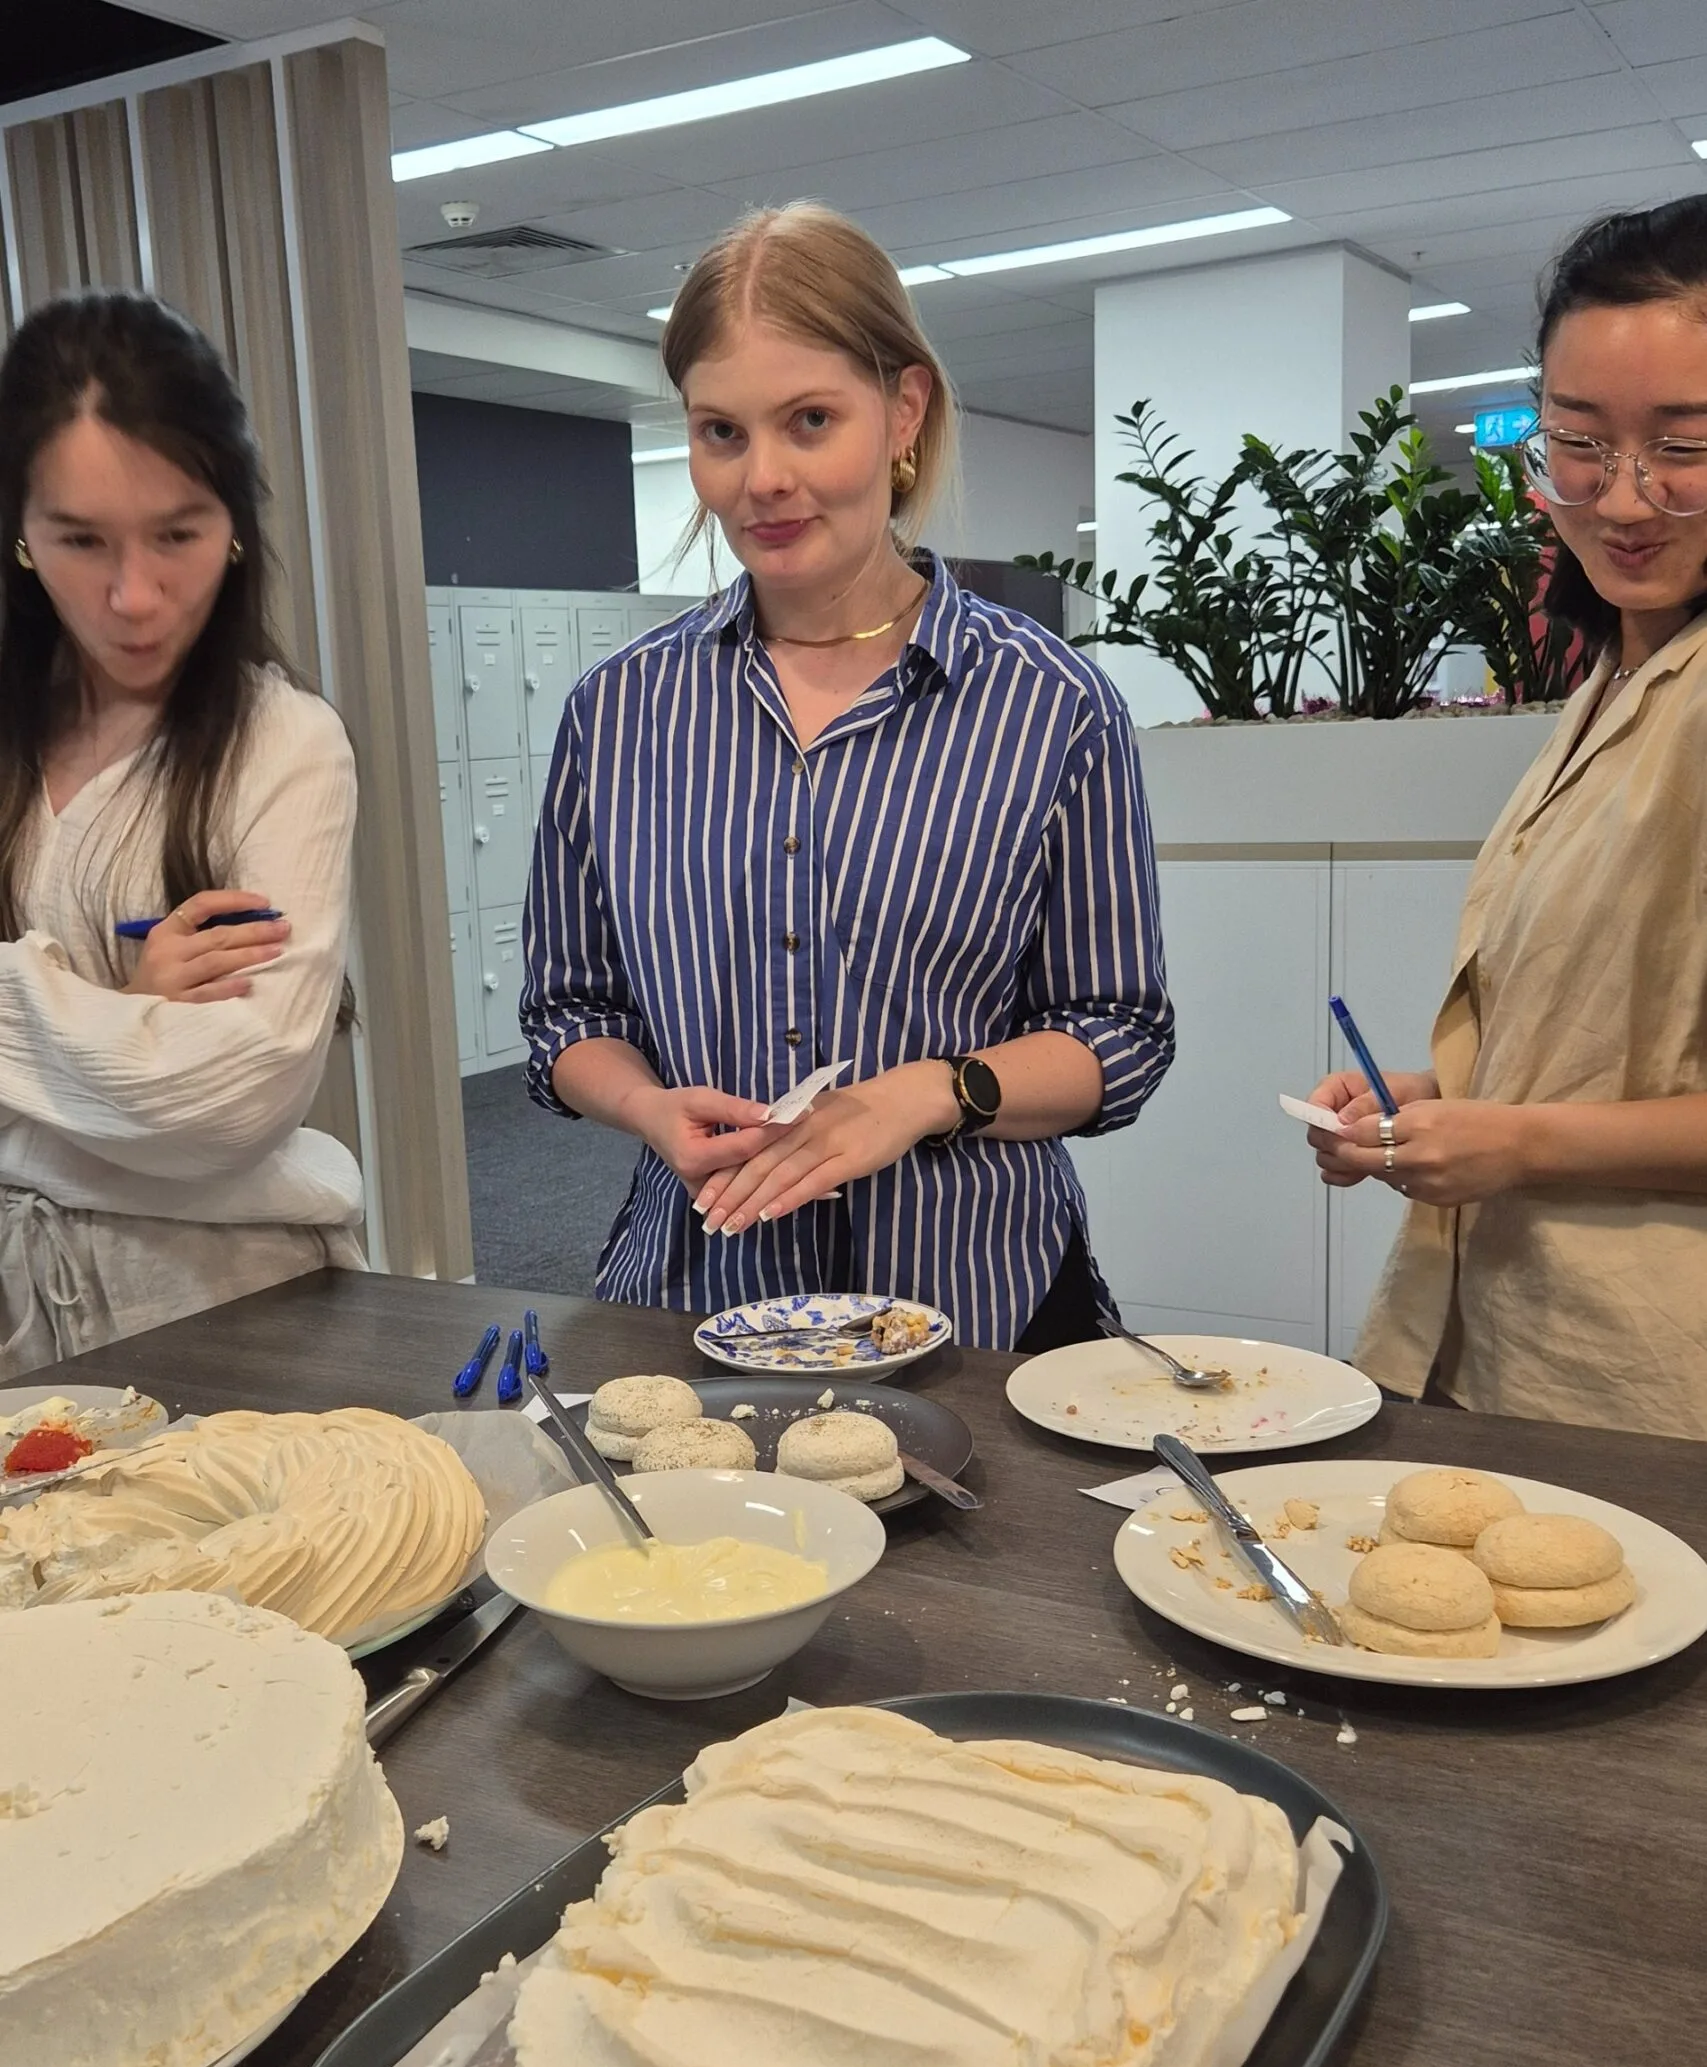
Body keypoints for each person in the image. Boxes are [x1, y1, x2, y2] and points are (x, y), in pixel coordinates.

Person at [521, 203, 1171, 1351]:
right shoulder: (618, 713)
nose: (763, 477)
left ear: (903, 411)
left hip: (979, 1303)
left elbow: (1116, 1031)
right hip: (693, 1296)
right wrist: (644, 1106)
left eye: (809, 420)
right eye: (721, 432)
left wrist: (922, 1094)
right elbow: (572, 1010)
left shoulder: (1052, 705)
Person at [1308, 194, 1707, 1439]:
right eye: (1579, 443)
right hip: (1509, 1349)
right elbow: (1615, 1040)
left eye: (1685, 445)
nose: (1625, 501)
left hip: (1651, 1387)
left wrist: (1516, 1141)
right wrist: (1435, 1100)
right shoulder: (1615, 681)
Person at [0, 291, 363, 1381]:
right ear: (20, 534)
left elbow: (230, 1101)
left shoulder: (284, 746)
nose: (134, 595)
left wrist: (46, 1018)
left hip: (229, 1308)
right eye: (80, 541)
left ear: (236, 524)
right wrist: (121, 1008)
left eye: (177, 535)